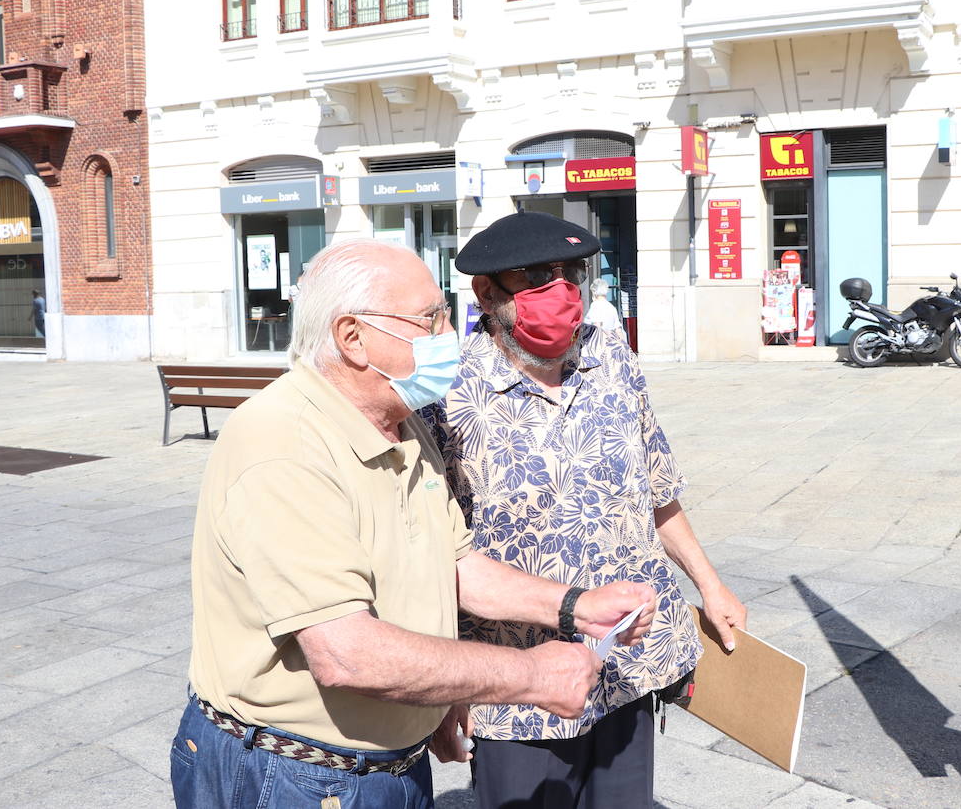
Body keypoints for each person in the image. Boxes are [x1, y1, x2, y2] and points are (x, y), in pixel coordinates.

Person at [170, 238, 656, 809]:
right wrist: (531, 675)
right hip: (290, 775)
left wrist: (575, 605)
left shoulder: (397, 422)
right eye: (431, 318)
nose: (449, 333)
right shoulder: (283, 444)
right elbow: (347, 652)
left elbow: (456, 567)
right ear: (352, 338)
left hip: (387, 764)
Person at [424, 211, 747, 809]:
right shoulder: (448, 396)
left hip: (627, 667)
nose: (562, 291)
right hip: (520, 691)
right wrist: (448, 688)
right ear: (486, 291)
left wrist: (711, 584)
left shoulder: (612, 362)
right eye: (539, 277)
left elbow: (657, 488)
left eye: (573, 272)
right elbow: (433, 556)